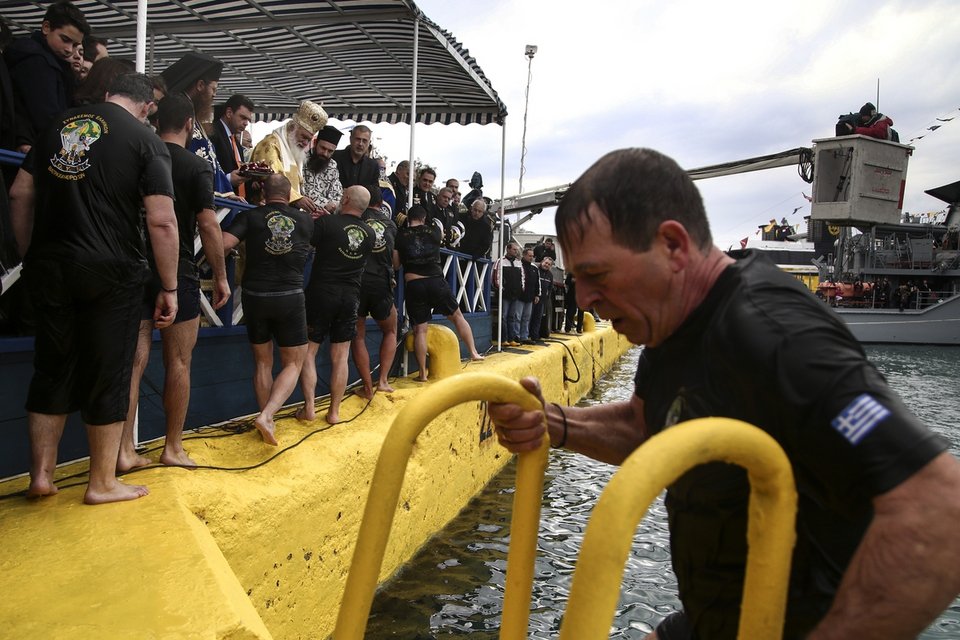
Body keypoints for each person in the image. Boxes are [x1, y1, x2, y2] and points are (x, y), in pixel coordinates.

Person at [488, 147, 960, 640]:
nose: (582, 298)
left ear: (672, 245)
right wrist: (554, 423)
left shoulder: (774, 333)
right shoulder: (671, 325)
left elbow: (938, 510)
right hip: (719, 617)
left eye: (596, 275)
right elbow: (647, 427)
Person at [9, 72, 179, 504]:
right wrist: (171, 286)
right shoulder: (145, 140)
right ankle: (102, 482)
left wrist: (33, 255)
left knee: (52, 367)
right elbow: (162, 221)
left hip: (49, 265)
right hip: (111, 269)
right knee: (110, 370)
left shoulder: (57, 125)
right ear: (146, 108)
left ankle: (41, 478)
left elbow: (19, 193)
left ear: (106, 96)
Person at [117, 93, 230, 470]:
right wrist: (222, 276)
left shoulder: (136, 154)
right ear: (188, 125)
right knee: (179, 361)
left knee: (133, 362)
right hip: (177, 267)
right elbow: (209, 225)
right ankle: (172, 447)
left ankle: (123, 451)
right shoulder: (194, 165)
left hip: (135, 264)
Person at [222, 174, 313, 446]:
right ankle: (268, 415)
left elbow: (224, 243)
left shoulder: (251, 216)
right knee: (294, 363)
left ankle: (266, 418)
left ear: (263, 192)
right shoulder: (306, 220)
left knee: (263, 362)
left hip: (255, 295)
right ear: (289, 195)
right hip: (289, 296)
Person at [299, 186, 374, 425]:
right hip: (350, 296)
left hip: (321, 293)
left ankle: (309, 407)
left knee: (309, 352)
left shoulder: (327, 224)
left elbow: (305, 242)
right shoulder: (370, 234)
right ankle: (334, 412)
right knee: (340, 357)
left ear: (345, 199)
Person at [394, 204, 483, 380]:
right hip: (435, 280)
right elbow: (444, 236)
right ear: (424, 218)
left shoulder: (400, 235)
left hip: (414, 284)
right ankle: (474, 353)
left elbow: (396, 265)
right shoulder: (433, 231)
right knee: (458, 316)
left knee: (420, 330)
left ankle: (422, 374)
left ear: (408, 218)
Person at [5, 0, 89, 153]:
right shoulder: (37, 61)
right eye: (65, 40)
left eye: (75, 45)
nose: (69, 49)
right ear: (46, 27)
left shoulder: (44, 60)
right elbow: (46, 117)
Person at [159, 52, 238, 198]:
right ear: (200, 85)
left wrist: (227, 192)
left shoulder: (194, 115)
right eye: (213, 89)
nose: (215, 95)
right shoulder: (179, 113)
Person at [351, 185, 399, 398]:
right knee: (390, 330)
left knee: (358, 336)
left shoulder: (356, 218)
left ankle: (367, 387)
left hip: (357, 281)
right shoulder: (390, 224)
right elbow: (396, 262)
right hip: (381, 282)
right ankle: (383, 381)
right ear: (381, 204)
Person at [251, 100, 327, 213]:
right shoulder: (270, 144)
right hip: (266, 211)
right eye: (303, 137)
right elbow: (272, 178)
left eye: (309, 140)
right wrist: (297, 199)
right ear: (292, 128)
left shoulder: (293, 150)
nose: (305, 143)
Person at [208, 93, 255, 198]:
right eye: (243, 117)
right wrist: (228, 179)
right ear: (229, 113)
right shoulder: (211, 133)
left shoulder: (235, 142)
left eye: (248, 120)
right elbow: (207, 168)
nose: (246, 123)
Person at [301, 124, 344, 216]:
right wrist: (325, 204)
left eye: (330, 151)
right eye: (323, 148)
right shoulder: (301, 159)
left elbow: (338, 193)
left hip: (326, 215)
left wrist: (333, 205)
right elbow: (304, 190)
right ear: (315, 143)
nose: (325, 154)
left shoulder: (332, 165)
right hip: (303, 214)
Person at [493, 241, 524, 346]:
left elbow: (522, 277)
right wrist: (501, 289)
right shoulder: (500, 261)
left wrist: (521, 289)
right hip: (505, 294)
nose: (516, 252)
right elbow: (495, 276)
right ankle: (503, 339)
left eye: (517, 250)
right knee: (503, 317)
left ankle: (511, 339)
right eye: (514, 249)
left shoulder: (518, 262)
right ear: (508, 249)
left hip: (515, 294)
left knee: (512, 317)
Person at [332, 124, 378, 189]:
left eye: (364, 141)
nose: (360, 144)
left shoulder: (373, 165)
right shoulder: (334, 157)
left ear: (369, 143)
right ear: (350, 139)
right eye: (358, 139)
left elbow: (376, 191)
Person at [517, 247, 540, 344]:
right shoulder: (518, 265)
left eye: (532, 256)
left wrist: (537, 295)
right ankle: (516, 336)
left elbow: (537, 283)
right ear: (524, 255)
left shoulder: (534, 268)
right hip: (520, 296)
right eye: (530, 256)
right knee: (517, 317)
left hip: (530, 297)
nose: (532, 258)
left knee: (526, 317)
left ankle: (524, 336)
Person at [529, 256, 554, 342]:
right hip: (533, 299)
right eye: (546, 263)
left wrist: (546, 299)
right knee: (529, 317)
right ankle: (526, 335)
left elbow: (550, 288)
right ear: (542, 262)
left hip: (542, 300)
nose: (546, 265)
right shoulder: (536, 270)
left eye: (549, 264)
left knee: (538, 318)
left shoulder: (550, 275)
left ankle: (534, 336)